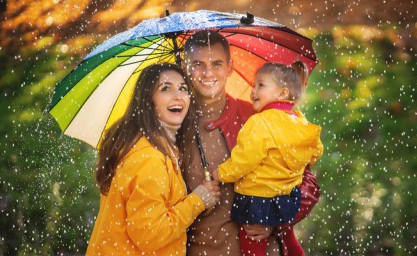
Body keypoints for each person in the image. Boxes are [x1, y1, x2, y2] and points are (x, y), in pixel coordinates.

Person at [179, 31, 321, 255]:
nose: (208, 73)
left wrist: (274, 219)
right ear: (185, 67)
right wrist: (195, 201)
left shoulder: (260, 117)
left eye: (216, 63)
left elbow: (308, 184)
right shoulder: (174, 125)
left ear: (230, 67)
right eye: (198, 64)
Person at [86, 63, 221, 255]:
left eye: (183, 88)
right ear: (149, 100)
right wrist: (198, 200)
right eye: (165, 88)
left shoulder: (153, 146)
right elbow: (151, 235)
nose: (177, 95)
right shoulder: (149, 158)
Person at [211, 61, 323, 256]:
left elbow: (244, 160)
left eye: (260, 85)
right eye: (254, 85)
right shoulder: (299, 120)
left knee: (252, 244)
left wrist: (221, 174)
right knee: (289, 239)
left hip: (257, 198)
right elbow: (315, 152)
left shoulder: (260, 122)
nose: (253, 91)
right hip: (287, 195)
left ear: (282, 93)